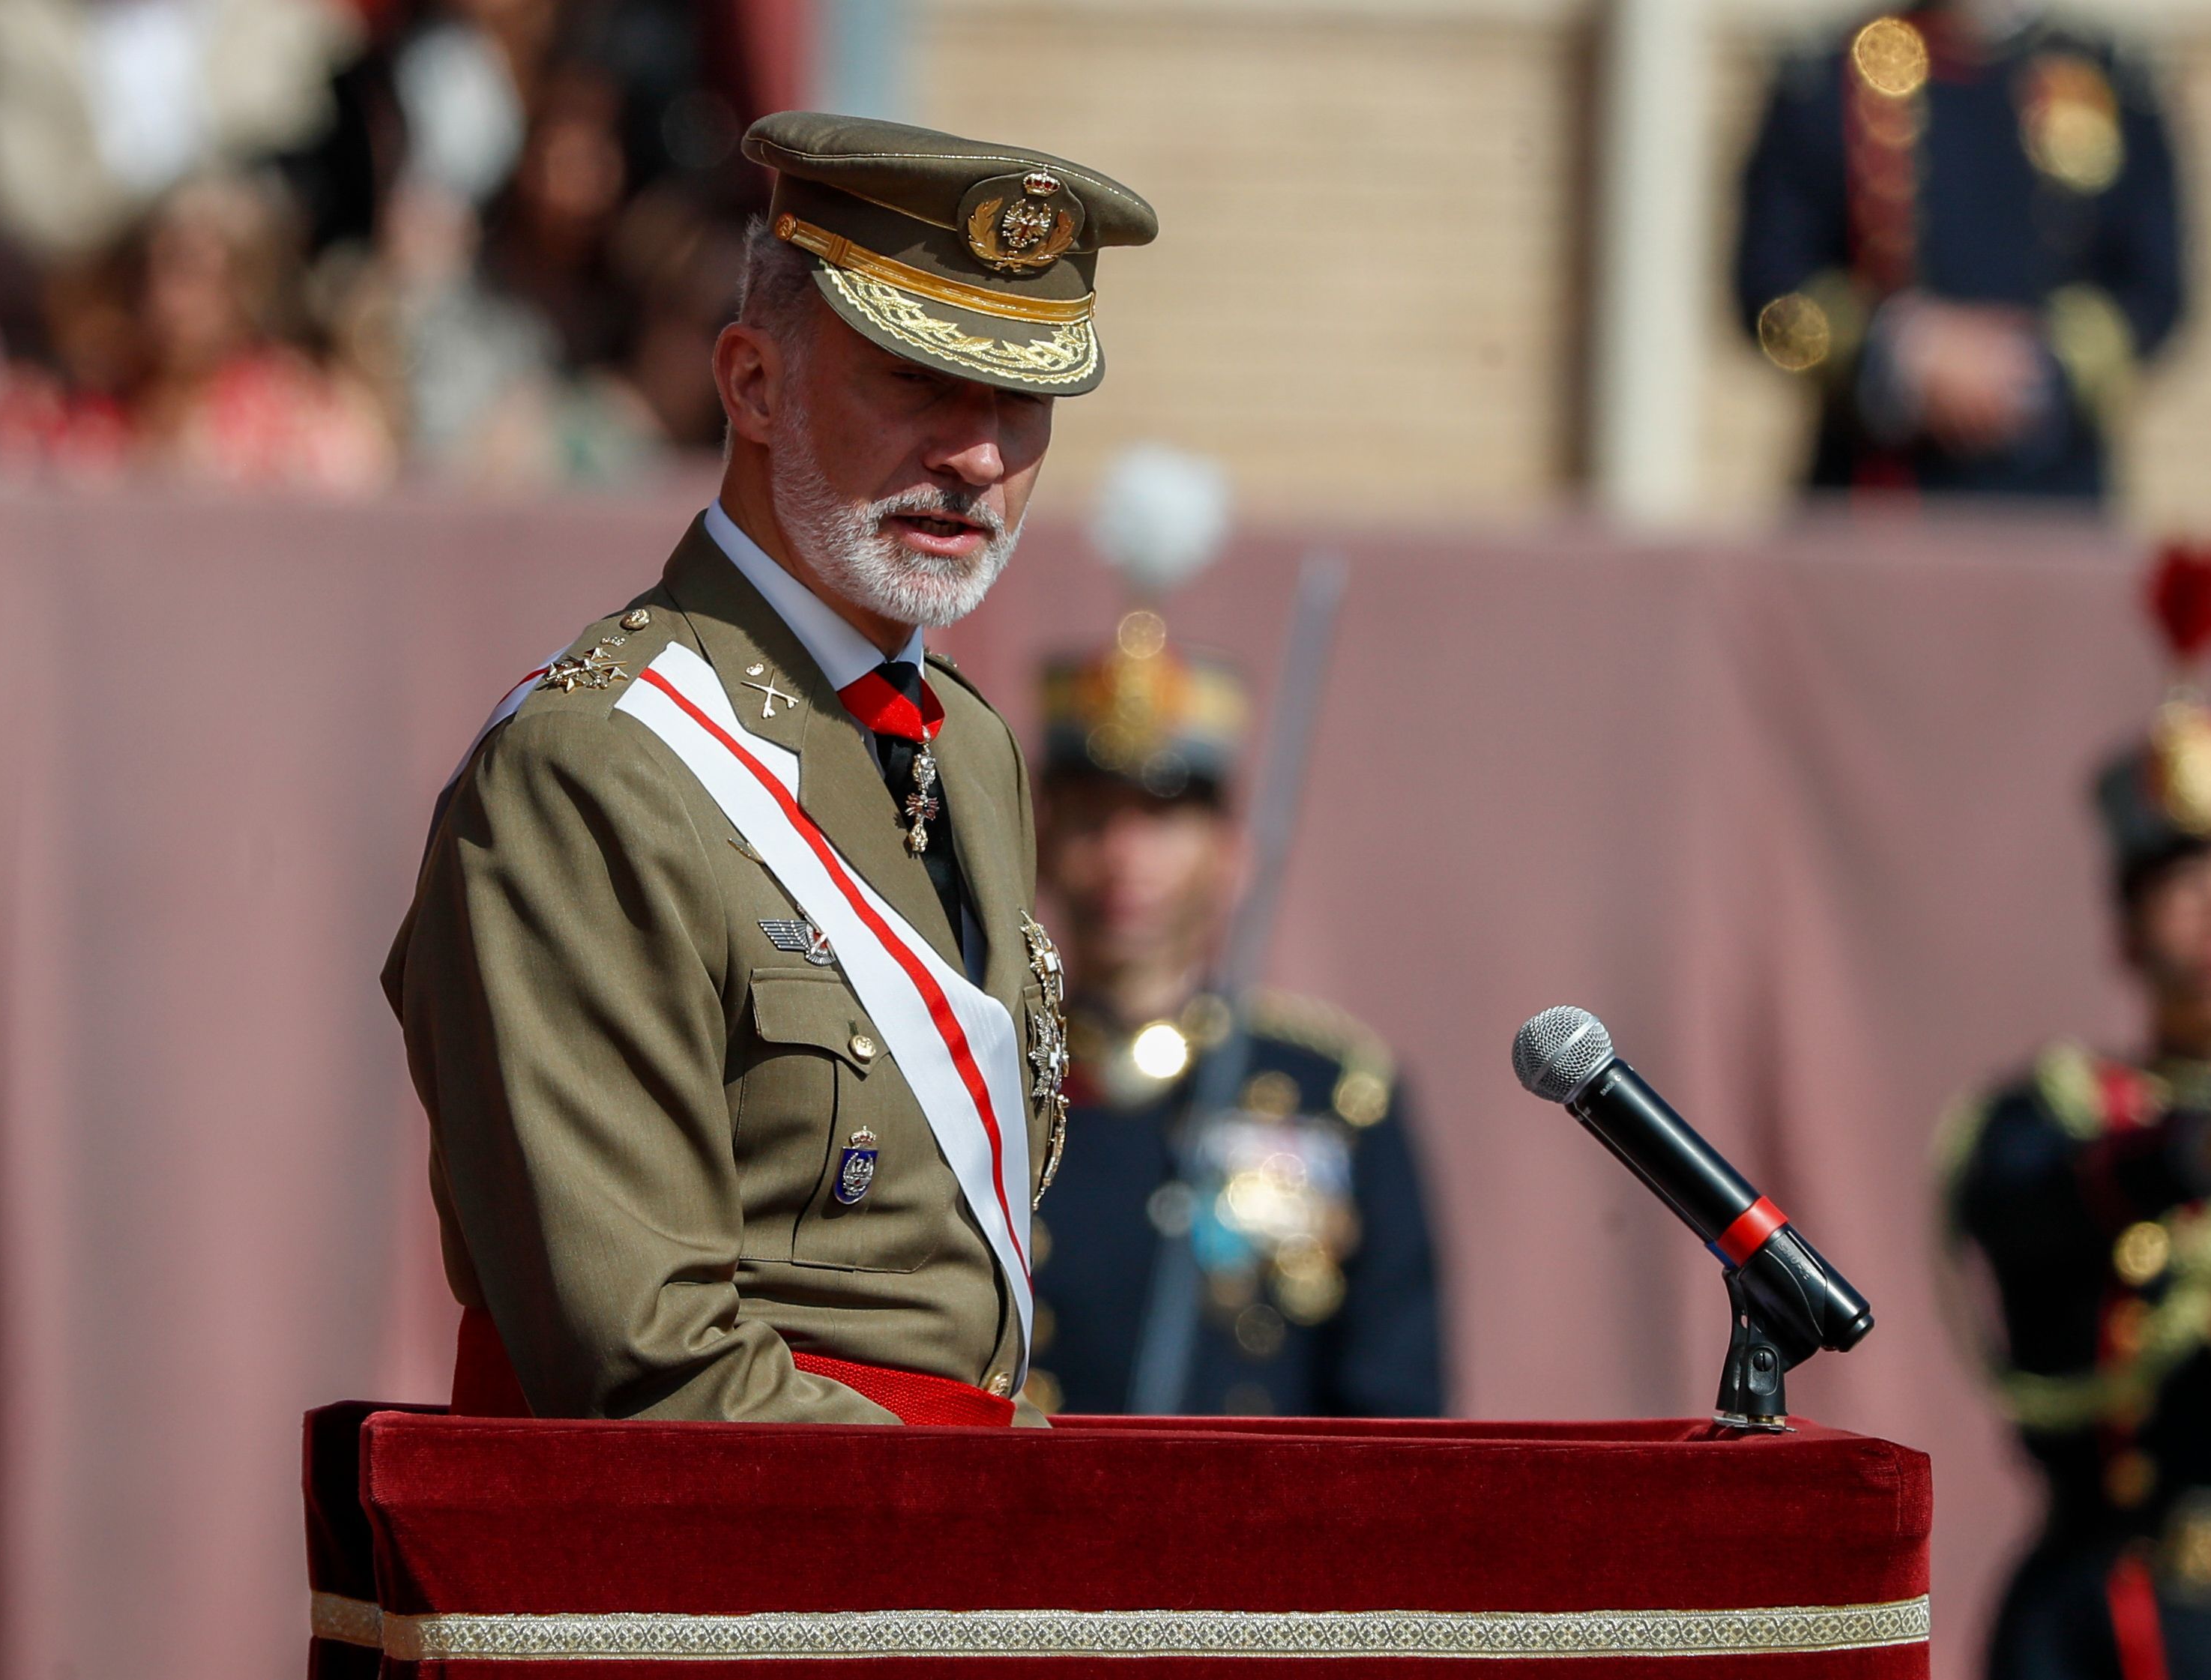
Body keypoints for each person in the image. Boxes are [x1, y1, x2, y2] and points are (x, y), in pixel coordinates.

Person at [385, 112, 1156, 1426]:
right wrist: (1007, 1541)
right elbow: (648, 1366)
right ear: (751, 384)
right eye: (919, 381)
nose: (976, 457)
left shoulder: (964, 744)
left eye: (1020, 398)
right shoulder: (592, 770)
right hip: (721, 1591)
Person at [1937, 693, 2211, 1680]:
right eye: (2183, 876)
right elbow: (2037, 1212)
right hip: (2109, 1615)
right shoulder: (2053, 1117)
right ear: (2122, 928)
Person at [1023, 615, 1446, 1418]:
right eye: (1091, 815)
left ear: (1229, 852)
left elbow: (1396, 1403)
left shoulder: (1333, 1093)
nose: (1123, 855)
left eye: (1161, 817)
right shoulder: (980, 1070)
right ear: (1042, 840)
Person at [1734, 1, 2185, 504]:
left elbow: (2155, 293)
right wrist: (1905, 354)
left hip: (2054, 497)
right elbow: (1771, 290)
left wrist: (2036, 365)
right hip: (1875, 497)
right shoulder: (1826, 79)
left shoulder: (2107, 82)